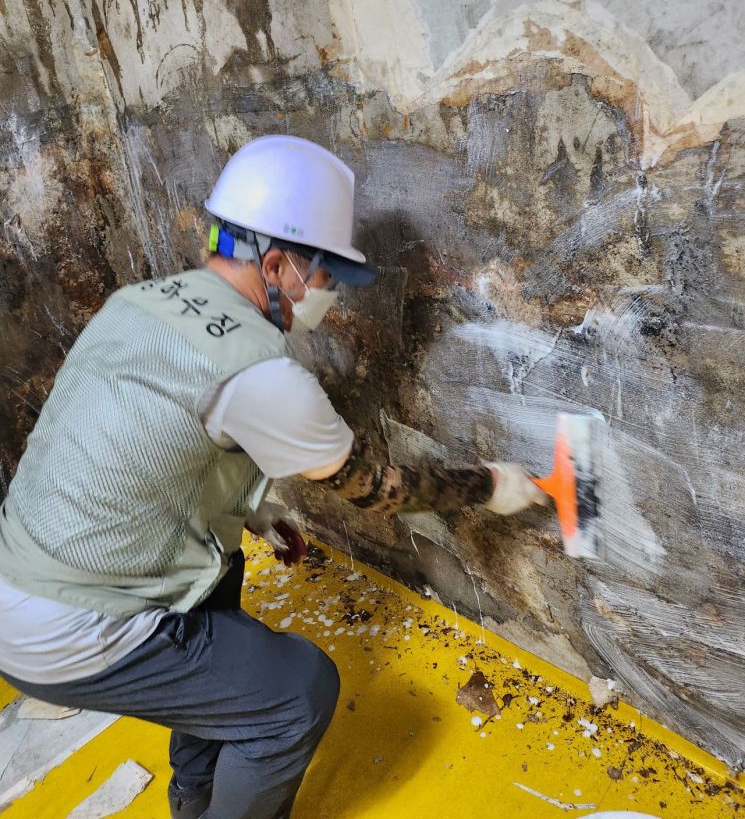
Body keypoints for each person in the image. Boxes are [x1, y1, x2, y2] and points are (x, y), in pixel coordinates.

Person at [0, 135, 546, 819]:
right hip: (72, 632)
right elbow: (379, 488)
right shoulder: (258, 368)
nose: (329, 298)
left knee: (222, 578)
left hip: (17, 585)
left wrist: (253, 512)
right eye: (326, 279)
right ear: (279, 263)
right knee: (298, 693)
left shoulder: (140, 302)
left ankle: (193, 799)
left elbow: (135, 437)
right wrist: (492, 486)